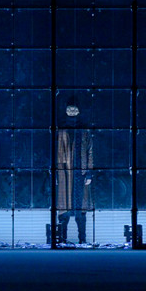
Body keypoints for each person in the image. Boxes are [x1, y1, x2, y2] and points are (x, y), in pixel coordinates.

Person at [56, 95, 93, 244]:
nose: (72, 111)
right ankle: (62, 240)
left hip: (79, 172)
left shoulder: (84, 130)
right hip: (64, 172)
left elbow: (90, 151)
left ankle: (82, 240)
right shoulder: (60, 129)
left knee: (80, 208)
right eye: (70, 109)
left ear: (79, 110)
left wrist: (89, 172)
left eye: (74, 109)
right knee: (64, 208)